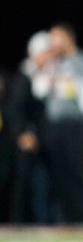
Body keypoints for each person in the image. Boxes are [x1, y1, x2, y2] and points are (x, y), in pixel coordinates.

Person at [41, 22, 83, 223]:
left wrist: (60, 83)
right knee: (59, 173)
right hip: (54, 124)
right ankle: (67, 218)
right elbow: (40, 89)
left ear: (68, 38)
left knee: (77, 170)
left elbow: (81, 94)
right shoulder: (53, 63)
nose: (52, 42)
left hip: (75, 124)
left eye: (56, 37)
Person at [7, 31, 53, 223]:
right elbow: (15, 110)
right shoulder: (24, 76)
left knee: (44, 187)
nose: (49, 57)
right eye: (46, 53)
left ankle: (44, 223)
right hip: (27, 141)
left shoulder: (47, 76)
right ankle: (17, 224)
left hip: (43, 141)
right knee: (23, 186)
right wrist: (22, 134)